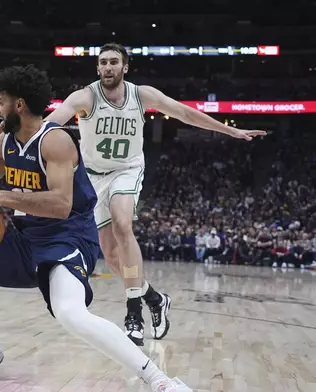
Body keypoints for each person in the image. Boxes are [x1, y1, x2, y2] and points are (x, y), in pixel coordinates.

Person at [0, 65, 192, 391]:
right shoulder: (6, 143)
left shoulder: (56, 141)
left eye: (1, 101)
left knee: (69, 313)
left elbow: (61, 205)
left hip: (68, 238)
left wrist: (2, 197)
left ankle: (158, 380)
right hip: (25, 239)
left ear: (18, 105)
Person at [46, 42, 267, 345]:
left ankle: (133, 314)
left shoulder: (141, 94)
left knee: (124, 224)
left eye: (113, 62)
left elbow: (183, 113)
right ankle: (154, 299)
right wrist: (17, 136)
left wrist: (230, 131)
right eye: (103, 62)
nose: (107, 67)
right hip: (94, 177)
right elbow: (50, 124)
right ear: (98, 68)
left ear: (125, 67)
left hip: (127, 169)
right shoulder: (84, 96)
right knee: (111, 256)